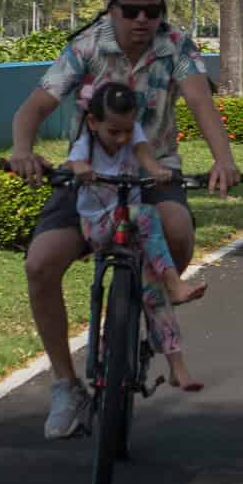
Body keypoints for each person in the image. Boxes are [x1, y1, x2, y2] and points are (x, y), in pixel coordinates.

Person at [10, 0, 241, 439]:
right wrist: (22, 150)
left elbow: (201, 102)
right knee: (40, 263)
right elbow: (36, 105)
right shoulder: (86, 47)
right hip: (91, 179)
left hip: (154, 178)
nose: (142, 20)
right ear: (112, 8)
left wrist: (224, 160)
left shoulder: (176, 46)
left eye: (151, 10)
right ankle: (66, 386)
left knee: (177, 234)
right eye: (131, 9)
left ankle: (139, 307)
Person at [68, 82, 209, 389]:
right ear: (93, 123)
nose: (122, 139)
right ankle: (175, 283)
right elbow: (75, 161)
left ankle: (178, 367)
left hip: (132, 232)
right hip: (98, 226)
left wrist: (157, 172)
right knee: (146, 214)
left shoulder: (133, 135)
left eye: (127, 131)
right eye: (113, 132)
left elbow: (146, 157)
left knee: (153, 294)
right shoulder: (86, 143)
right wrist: (81, 170)